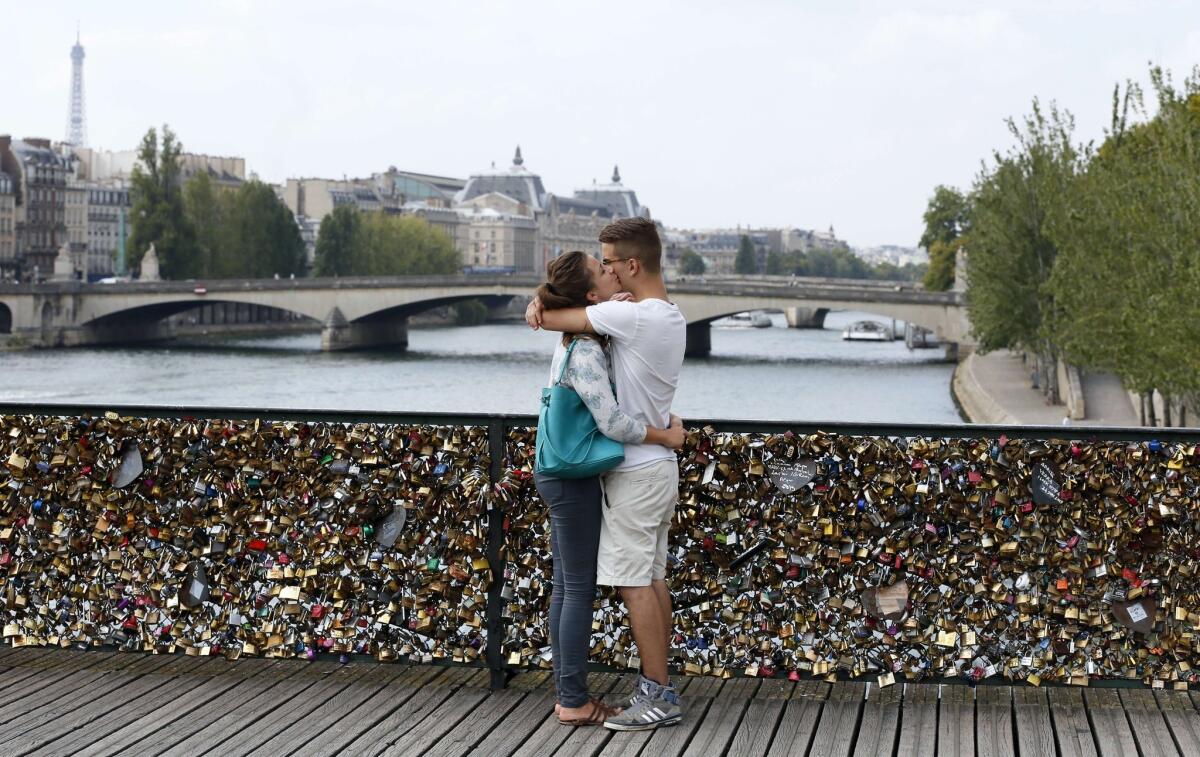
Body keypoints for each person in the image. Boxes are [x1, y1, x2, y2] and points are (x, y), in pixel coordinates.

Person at [527, 218, 687, 731]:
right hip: (657, 470)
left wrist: (540, 306)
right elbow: (573, 315)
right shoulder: (664, 315)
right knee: (653, 579)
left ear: (631, 266)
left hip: (635, 474)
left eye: (611, 262)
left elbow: (554, 319)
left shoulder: (632, 320)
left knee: (634, 585)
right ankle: (658, 687)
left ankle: (657, 696)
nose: (610, 272)